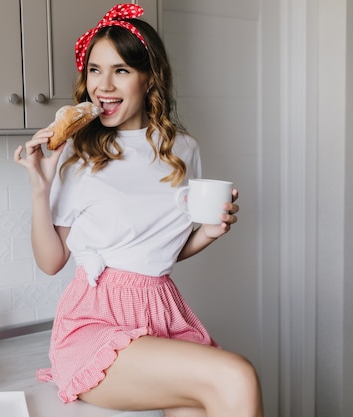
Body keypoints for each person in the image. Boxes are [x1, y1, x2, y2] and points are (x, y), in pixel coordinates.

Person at [14, 4, 263, 417]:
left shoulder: (183, 149)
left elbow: (159, 250)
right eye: (94, 70)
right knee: (236, 375)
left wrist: (207, 233)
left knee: (203, 406)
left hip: (163, 313)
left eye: (121, 70)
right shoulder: (77, 152)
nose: (103, 85)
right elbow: (51, 261)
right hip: (95, 322)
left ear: (149, 79)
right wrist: (40, 187)